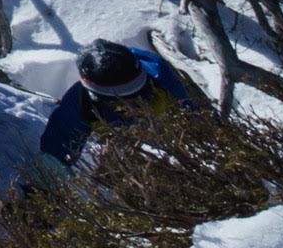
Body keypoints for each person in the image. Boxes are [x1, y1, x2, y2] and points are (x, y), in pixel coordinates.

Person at [39, 35, 206, 165]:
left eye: (137, 96)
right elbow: (57, 151)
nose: (130, 106)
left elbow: (191, 116)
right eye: (117, 101)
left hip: (167, 132)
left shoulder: (160, 76)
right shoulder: (80, 103)